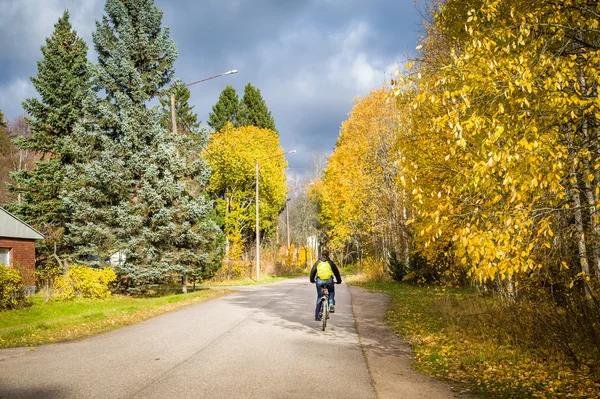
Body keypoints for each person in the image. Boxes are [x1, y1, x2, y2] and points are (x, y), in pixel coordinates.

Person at [309, 249, 342, 321]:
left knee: (319, 297)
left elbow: (313, 272)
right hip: (329, 281)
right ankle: (331, 303)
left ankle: (317, 316)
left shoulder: (318, 262)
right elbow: (336, 272)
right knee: (331, 292)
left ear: (321, 254)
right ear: (328, 255)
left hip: (319, 281)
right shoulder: (330, 263)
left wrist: (312, 280)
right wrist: (339, 281)